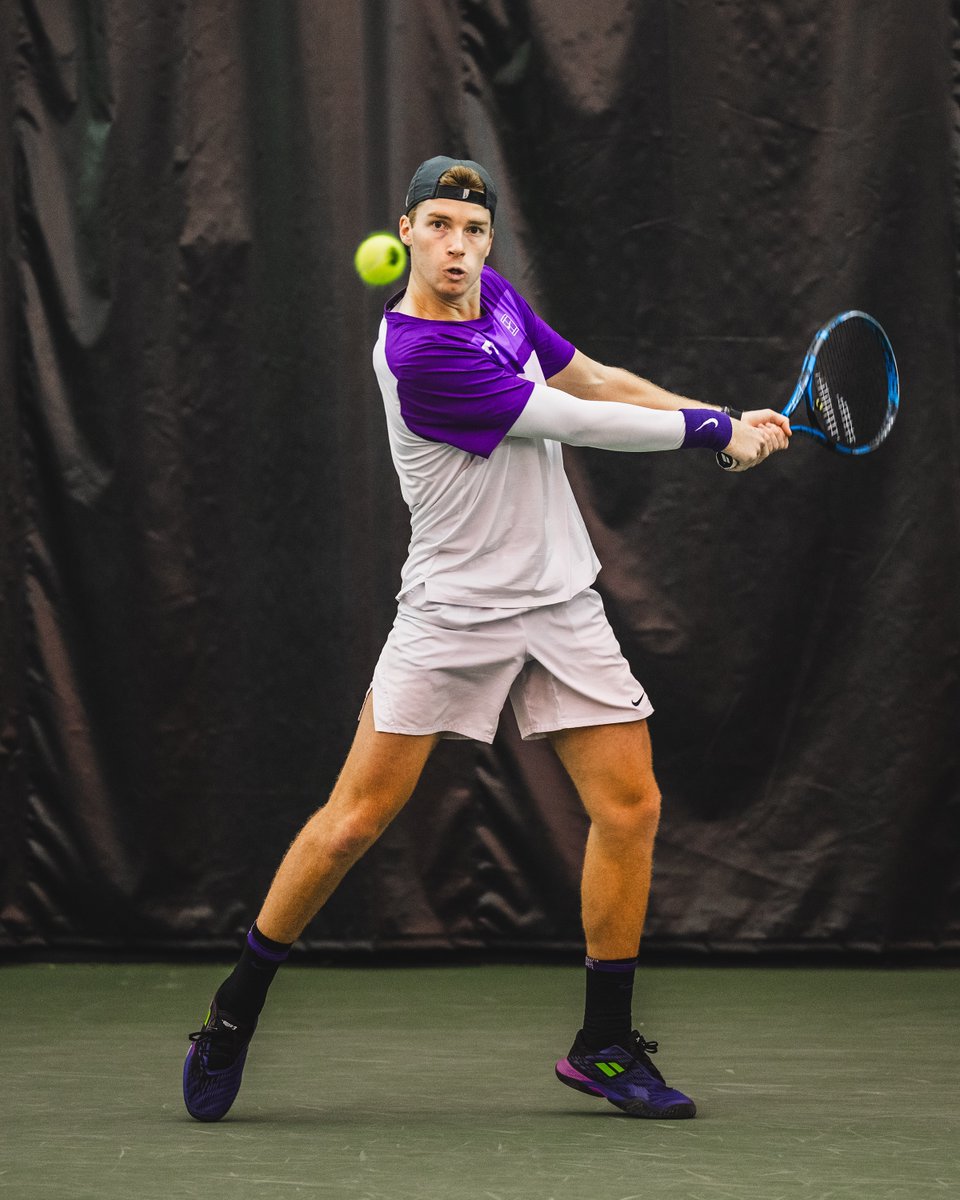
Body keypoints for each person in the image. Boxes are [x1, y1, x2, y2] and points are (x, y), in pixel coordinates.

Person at [182, 155, 790, 1124]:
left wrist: (705, 409)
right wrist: (716, 435)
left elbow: (592, 375)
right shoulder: (419, 356)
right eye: (439, 227)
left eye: (473, 231)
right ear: (406, 232)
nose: (458, 247)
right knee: (351, 822)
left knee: (630, 807)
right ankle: (232, 1012)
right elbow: (572, 419)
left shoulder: (498, 299)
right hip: (453, 610)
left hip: (558, 599)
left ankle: (602, 1044)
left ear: (487, 240)